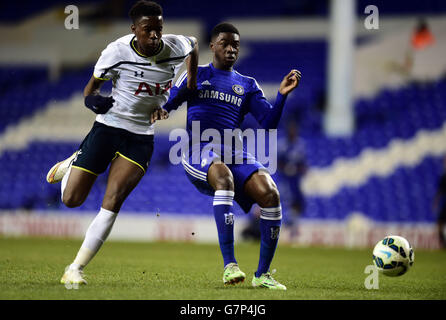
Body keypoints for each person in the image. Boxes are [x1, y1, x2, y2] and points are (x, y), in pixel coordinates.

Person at [45, 0, 198, 285]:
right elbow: (90, 91)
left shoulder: (177, 46)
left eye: (158, 29)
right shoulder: (116, 51)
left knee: (112, 200)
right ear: (134, 30)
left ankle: (75, 267)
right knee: (71, 200)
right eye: (147, 30)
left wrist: (189, 85)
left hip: (141, 137)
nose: (154, 35)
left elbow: (194, 44)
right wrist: (95, 103)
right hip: (108, 128)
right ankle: (75, 160)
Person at [157, 22, 301, 290]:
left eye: (235, 44)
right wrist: (164, 107)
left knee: (271, 193)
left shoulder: (247, 84)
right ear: (212, 46)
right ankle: (230, 265)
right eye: (225, 43)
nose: (231, 48)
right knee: (223, 178)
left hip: (234, 151)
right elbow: (170, 102)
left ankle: (262, 275)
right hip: (198, 149)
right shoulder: (195, 73)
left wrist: (281, 97)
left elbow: (268, 124)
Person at [433, 156, 446, 249]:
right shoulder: (444, 177)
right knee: (439, 224)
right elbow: (440, 192)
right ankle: (443, 244)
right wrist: (436, 202)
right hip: (445, 205)